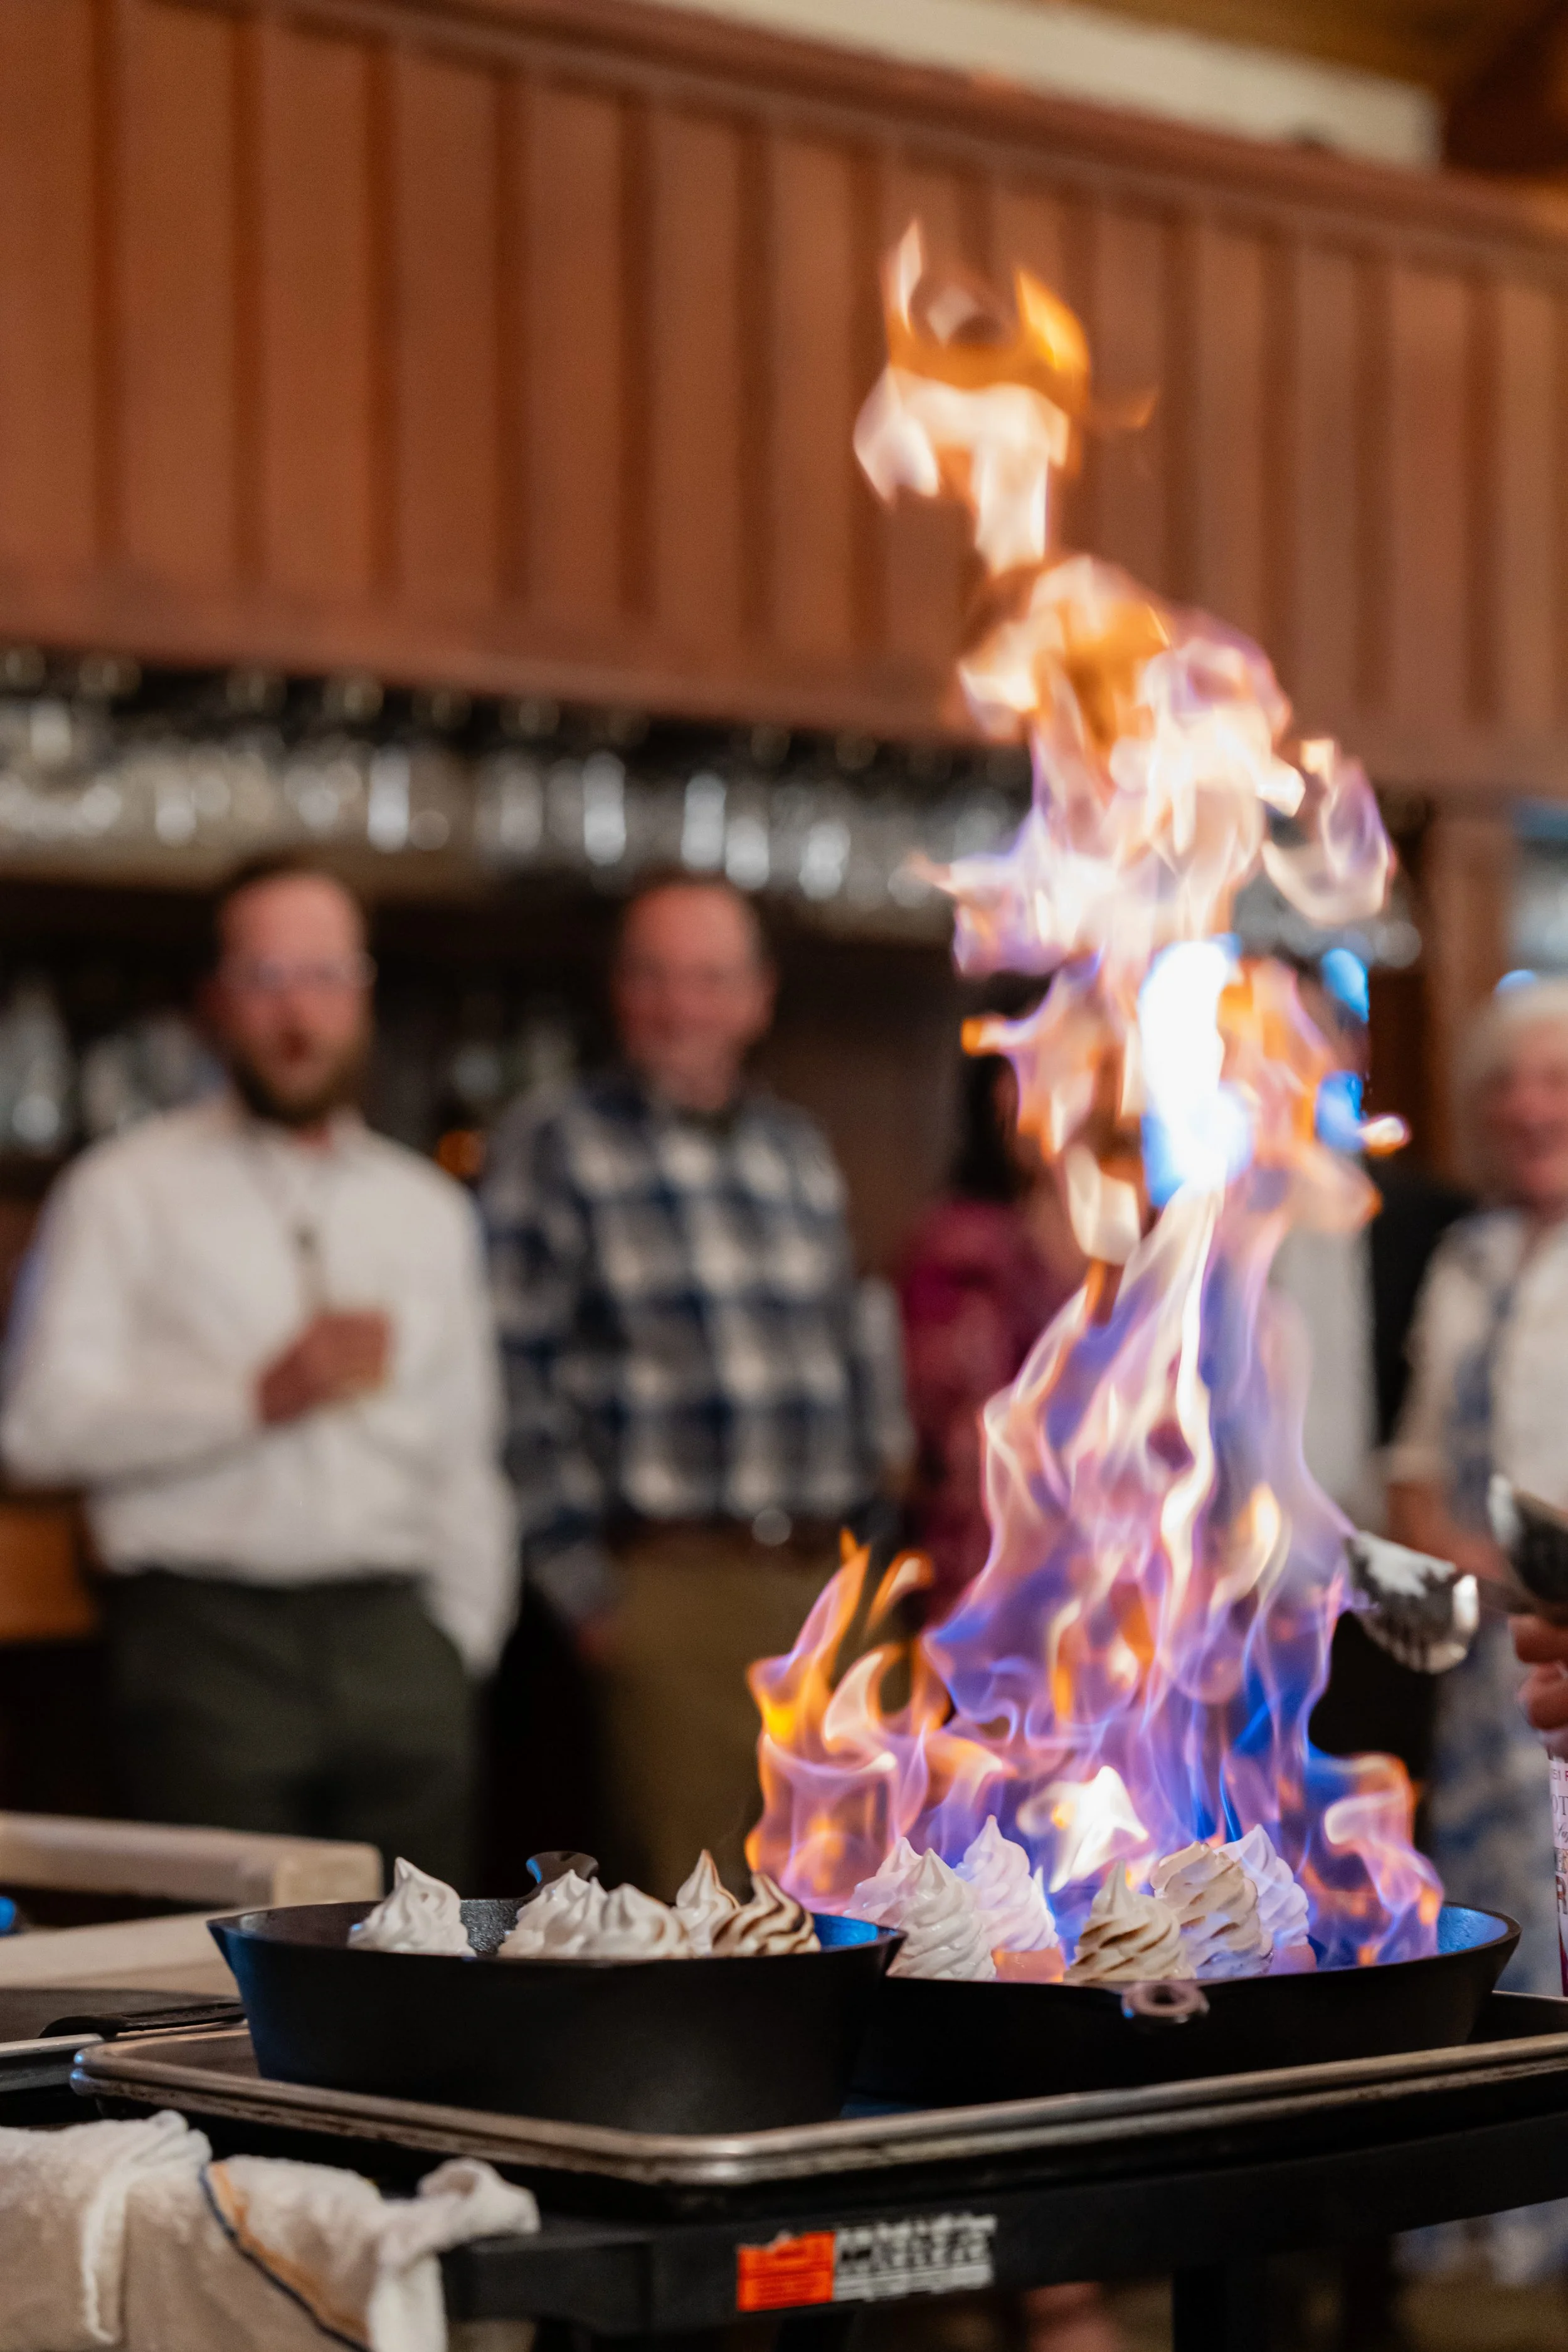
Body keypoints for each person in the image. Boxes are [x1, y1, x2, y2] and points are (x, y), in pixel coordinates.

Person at [1, 856, 513, 1882]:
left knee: (428, 1984)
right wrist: (252, 1402)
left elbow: (470, 1450)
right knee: (229, 1998)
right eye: (266, 978)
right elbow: (36, 1430)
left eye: (324, 977)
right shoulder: (123, 1191)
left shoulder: (426, 1208)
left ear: (362, 998)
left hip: (398, 1640)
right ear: (215, 1002)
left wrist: (460, 1644)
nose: (297, 1012)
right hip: (206, 1645)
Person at [484, 873, 882, 1899]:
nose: (679, 1006)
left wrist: (871, 1559)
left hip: (820, 1584)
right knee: (695, 1906)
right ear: (619, 993)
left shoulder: (796, 1147)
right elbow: (514, 1380)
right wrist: (586, 1590)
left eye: (708, 979)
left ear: (757, 998)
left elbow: (849, 1346)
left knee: (849, 1897)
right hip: (668, 1583)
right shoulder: (554, 1140)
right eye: (653, 977)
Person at [1385, 977, 1568, 2280]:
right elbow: (1408, 1462)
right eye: (1504, 1082)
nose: (1524, 1106)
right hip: (1473, 1654)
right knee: (1485, 1925)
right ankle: (1490, 2221)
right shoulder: (1461, 1258)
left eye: (1553, 1080)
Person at [899, 1049, 1083, 1616]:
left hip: (1145, 1593)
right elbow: (955, 1435)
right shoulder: (961, 1253)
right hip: (992, 1585)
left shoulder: (1168, 1249)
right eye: (1021, 1080)